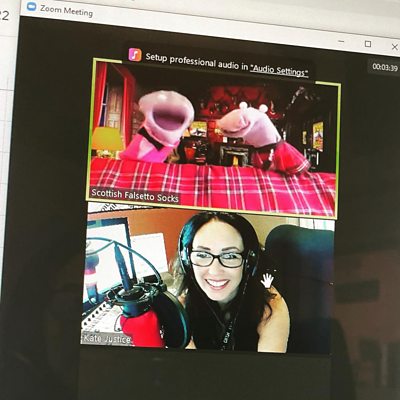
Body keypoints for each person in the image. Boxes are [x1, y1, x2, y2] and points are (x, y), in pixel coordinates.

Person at [173, 211, 290, 352]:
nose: (215, 271)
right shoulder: (181, 308)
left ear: (248, 262)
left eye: (230, 256)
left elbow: (267, 366)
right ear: (187, 261)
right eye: (202, 255)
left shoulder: (269, 307)